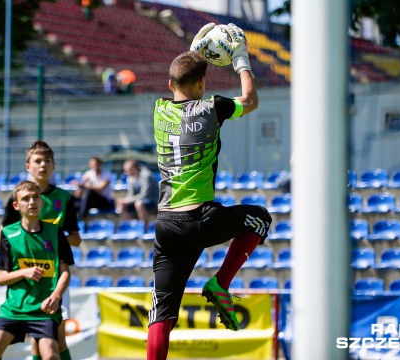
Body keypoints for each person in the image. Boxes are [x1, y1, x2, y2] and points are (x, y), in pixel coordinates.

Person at [146, 24, 273, 360]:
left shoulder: (159, 110)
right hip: (202, 218)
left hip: (167, 226)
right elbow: (250, 100)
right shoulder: (213, 108)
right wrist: (241, 58)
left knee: (161, 316)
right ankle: (220, 283)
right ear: (203, 83)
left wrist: (195, 51)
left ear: (169, 85)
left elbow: (184, 77)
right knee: (259, 218)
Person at [0, 140, 81, 360]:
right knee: (37, 340)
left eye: (47, 161)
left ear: (53, 166)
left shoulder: (64, 198)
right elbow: (4, 232)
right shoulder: (18, 196)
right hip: (25, 278)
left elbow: (76, 238)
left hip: (53, 276)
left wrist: (51, 240)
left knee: (57, 337)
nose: (42, 165)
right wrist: (6, 260)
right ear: (28, 166)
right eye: (37, 161)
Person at [0, 181, 73, 360]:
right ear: (16, 205)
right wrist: (24, 272)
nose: (31, 202)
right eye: (25, 199)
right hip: (14, 309)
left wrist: (56, 296)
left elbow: (65, 272)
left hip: (44, 310)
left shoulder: (56, 232)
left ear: (42, 202)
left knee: (50, 356)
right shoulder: (8, 234)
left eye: (36, 197)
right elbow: (0, 278)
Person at [114, 160, 159, 227]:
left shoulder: (147, 175)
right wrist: (124, 200)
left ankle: (145, 229)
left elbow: (145, 195)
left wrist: (128, 200)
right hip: (138, 200)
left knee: (139, 203)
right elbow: (131, 194)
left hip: (152, 201)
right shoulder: (130, 178)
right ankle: (131, 227)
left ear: (134, 168)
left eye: (127, 170)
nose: (126, 173)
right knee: (121, 204)